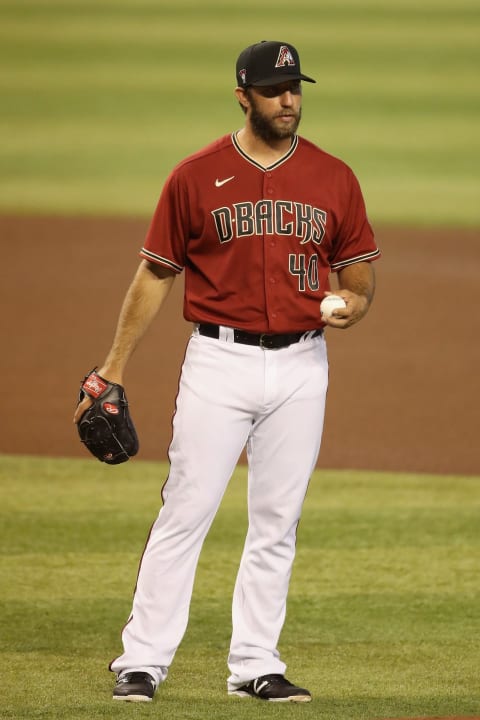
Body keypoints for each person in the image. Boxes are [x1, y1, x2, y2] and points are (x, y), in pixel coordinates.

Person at [75, 40, 380, 704]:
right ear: (243, 96)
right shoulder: (195, 176)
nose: (289, 99)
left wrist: (355, 302)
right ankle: (142, 661)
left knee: (278, 518)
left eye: (296, 86)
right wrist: (112, 365)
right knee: (187, 508)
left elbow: (357, 271)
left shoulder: (335, 178)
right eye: (275, 90)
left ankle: (256, 666)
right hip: (218, 360)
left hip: (304, 364)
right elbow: (156, 270)